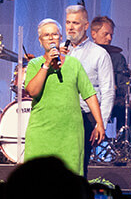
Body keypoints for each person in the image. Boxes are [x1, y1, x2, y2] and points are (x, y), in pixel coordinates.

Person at [24, 18, 104, 176]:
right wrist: (46, 65)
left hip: (70, 132)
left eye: (54, 34)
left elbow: (89, 94)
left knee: (70, 179)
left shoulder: (74, 64)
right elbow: (32, 91)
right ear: (40, 41)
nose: (51, 38)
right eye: (46, 35)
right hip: (42, 130)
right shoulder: (35, 64)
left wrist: (99, 123)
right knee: (38, 177)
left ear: (61, 38)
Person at [64, 4, 114, 175]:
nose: (70, 27)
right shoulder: (61, 52)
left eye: (76, 23)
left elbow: (108, 91)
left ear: (86, 26)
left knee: (78, 165)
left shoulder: (99, 54)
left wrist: (102, 123)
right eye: (68, 22)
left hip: (86, 116)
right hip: (62, 116)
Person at [91, 15, 130, 131]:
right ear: (94, 34)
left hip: (111, 100)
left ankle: (121, 145)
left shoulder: (118, 58)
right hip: (90, 100)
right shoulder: (86, 54)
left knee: (125, 106)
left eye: (111, 35)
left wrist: (115, 88)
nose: (109, 38)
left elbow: (124, 87)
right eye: (106, 34)